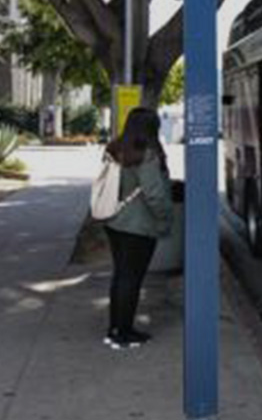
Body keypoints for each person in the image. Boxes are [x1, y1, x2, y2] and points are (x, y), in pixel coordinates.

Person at [102, 107, 174, 349]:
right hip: (139, 226)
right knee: (132, 279)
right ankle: (124, 332)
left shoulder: (115, 149)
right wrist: (164, 220)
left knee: (121, 276)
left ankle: (115, 327)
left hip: (115, 221)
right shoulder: (147, 154)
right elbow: (155, 195)